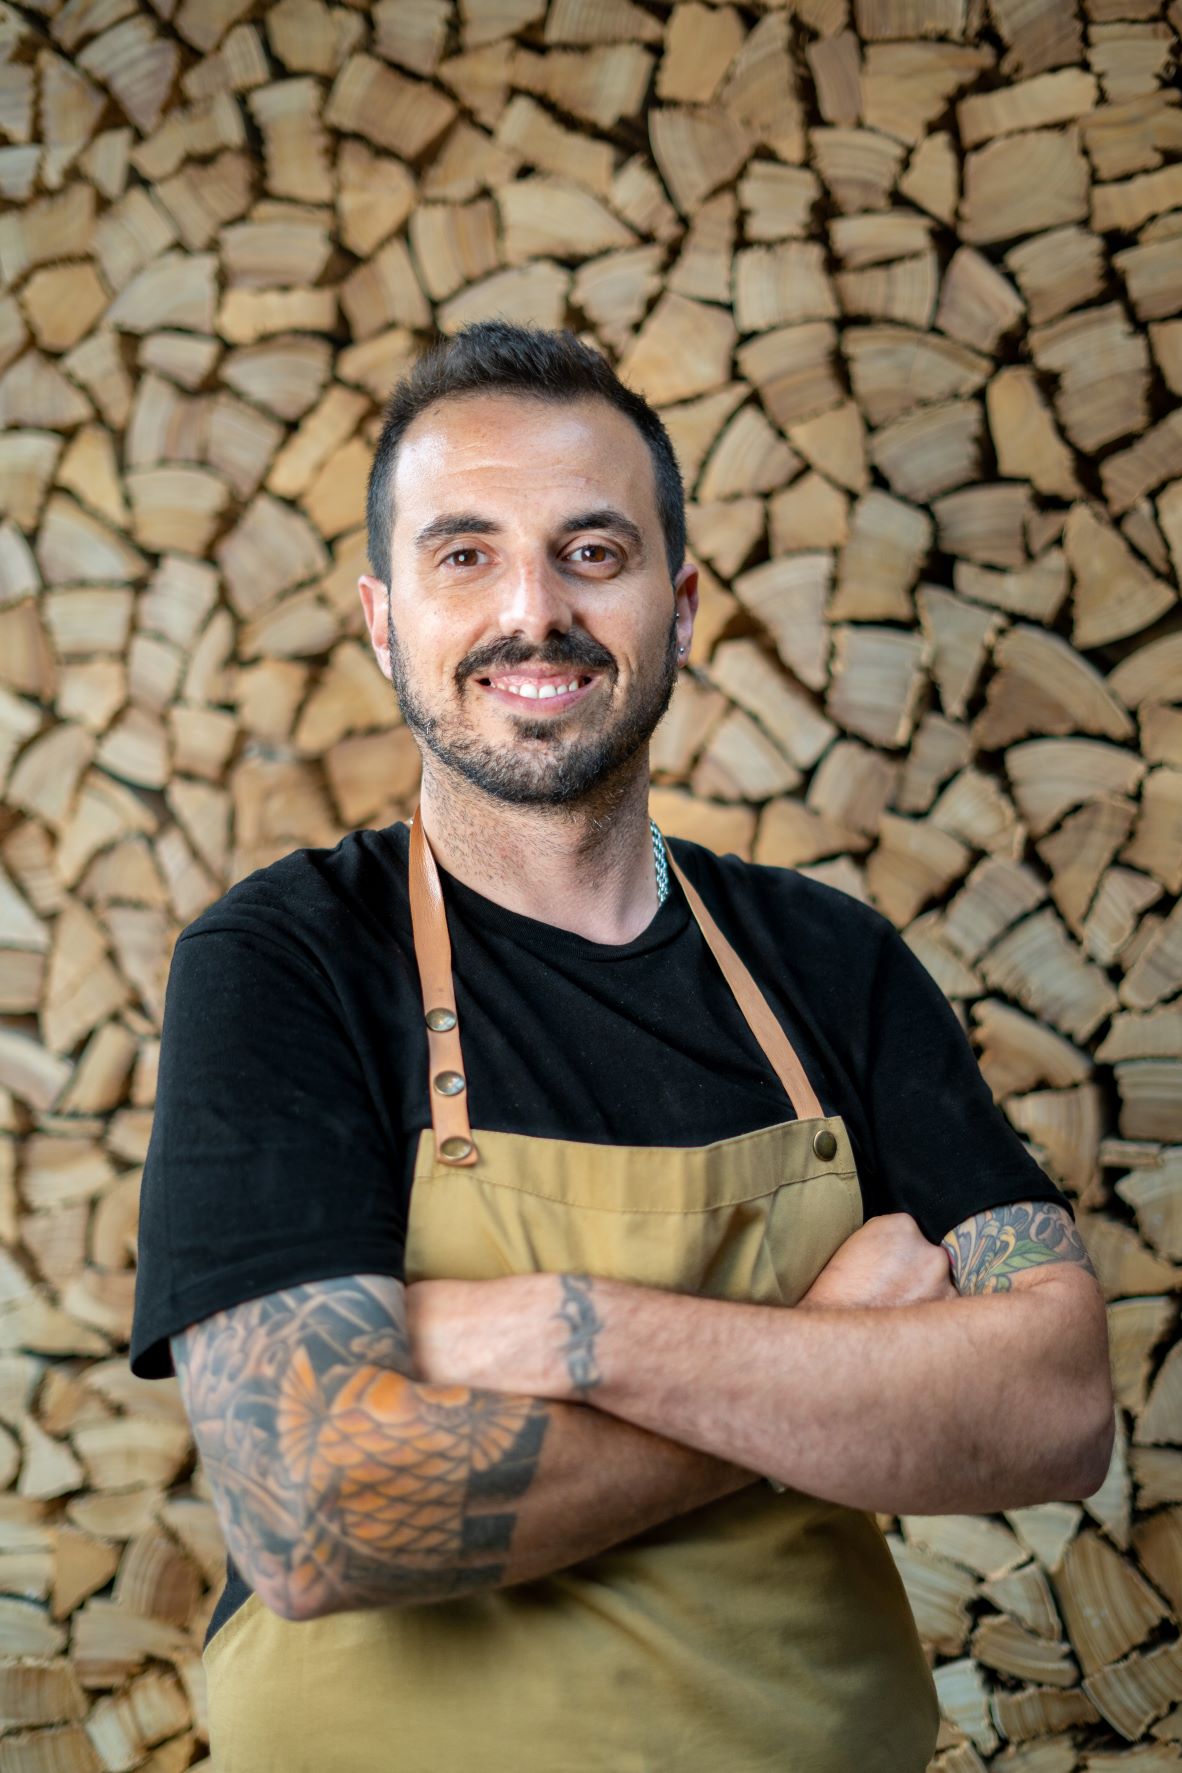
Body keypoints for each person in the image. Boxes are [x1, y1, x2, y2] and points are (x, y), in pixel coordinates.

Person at [130, 321, 1113, 1772]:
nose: (534, 611)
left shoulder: (828, 962)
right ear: (383, 620)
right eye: (465, 556)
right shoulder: (286, 961)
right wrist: (828, 1353)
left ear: (682, 603)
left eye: (593, 552)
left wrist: (561, 1329)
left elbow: (1058, 1406)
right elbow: (314, 1511)